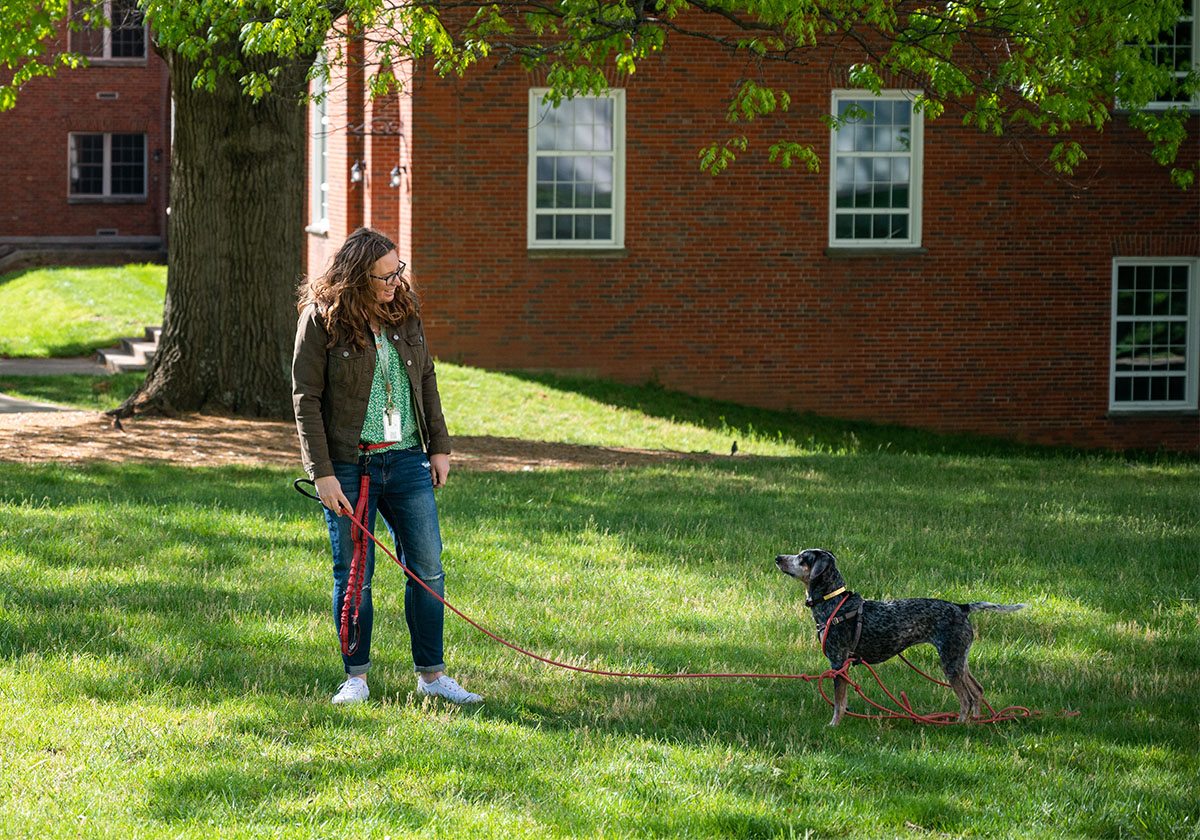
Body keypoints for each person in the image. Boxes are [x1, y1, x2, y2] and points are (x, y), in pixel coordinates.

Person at [292, 227, 481, 705]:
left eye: (398, 271)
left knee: (428, 567)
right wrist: (323, 472)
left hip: (408, 458)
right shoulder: (321, 320)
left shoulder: (404, 311)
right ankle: (356, 677)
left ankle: (432, 677)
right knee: (355, 572)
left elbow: (427, 377)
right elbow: (306, 398)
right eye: (385, 276)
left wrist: (440, 446)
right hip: (349, 465)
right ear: (357, 278)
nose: (396, 281)